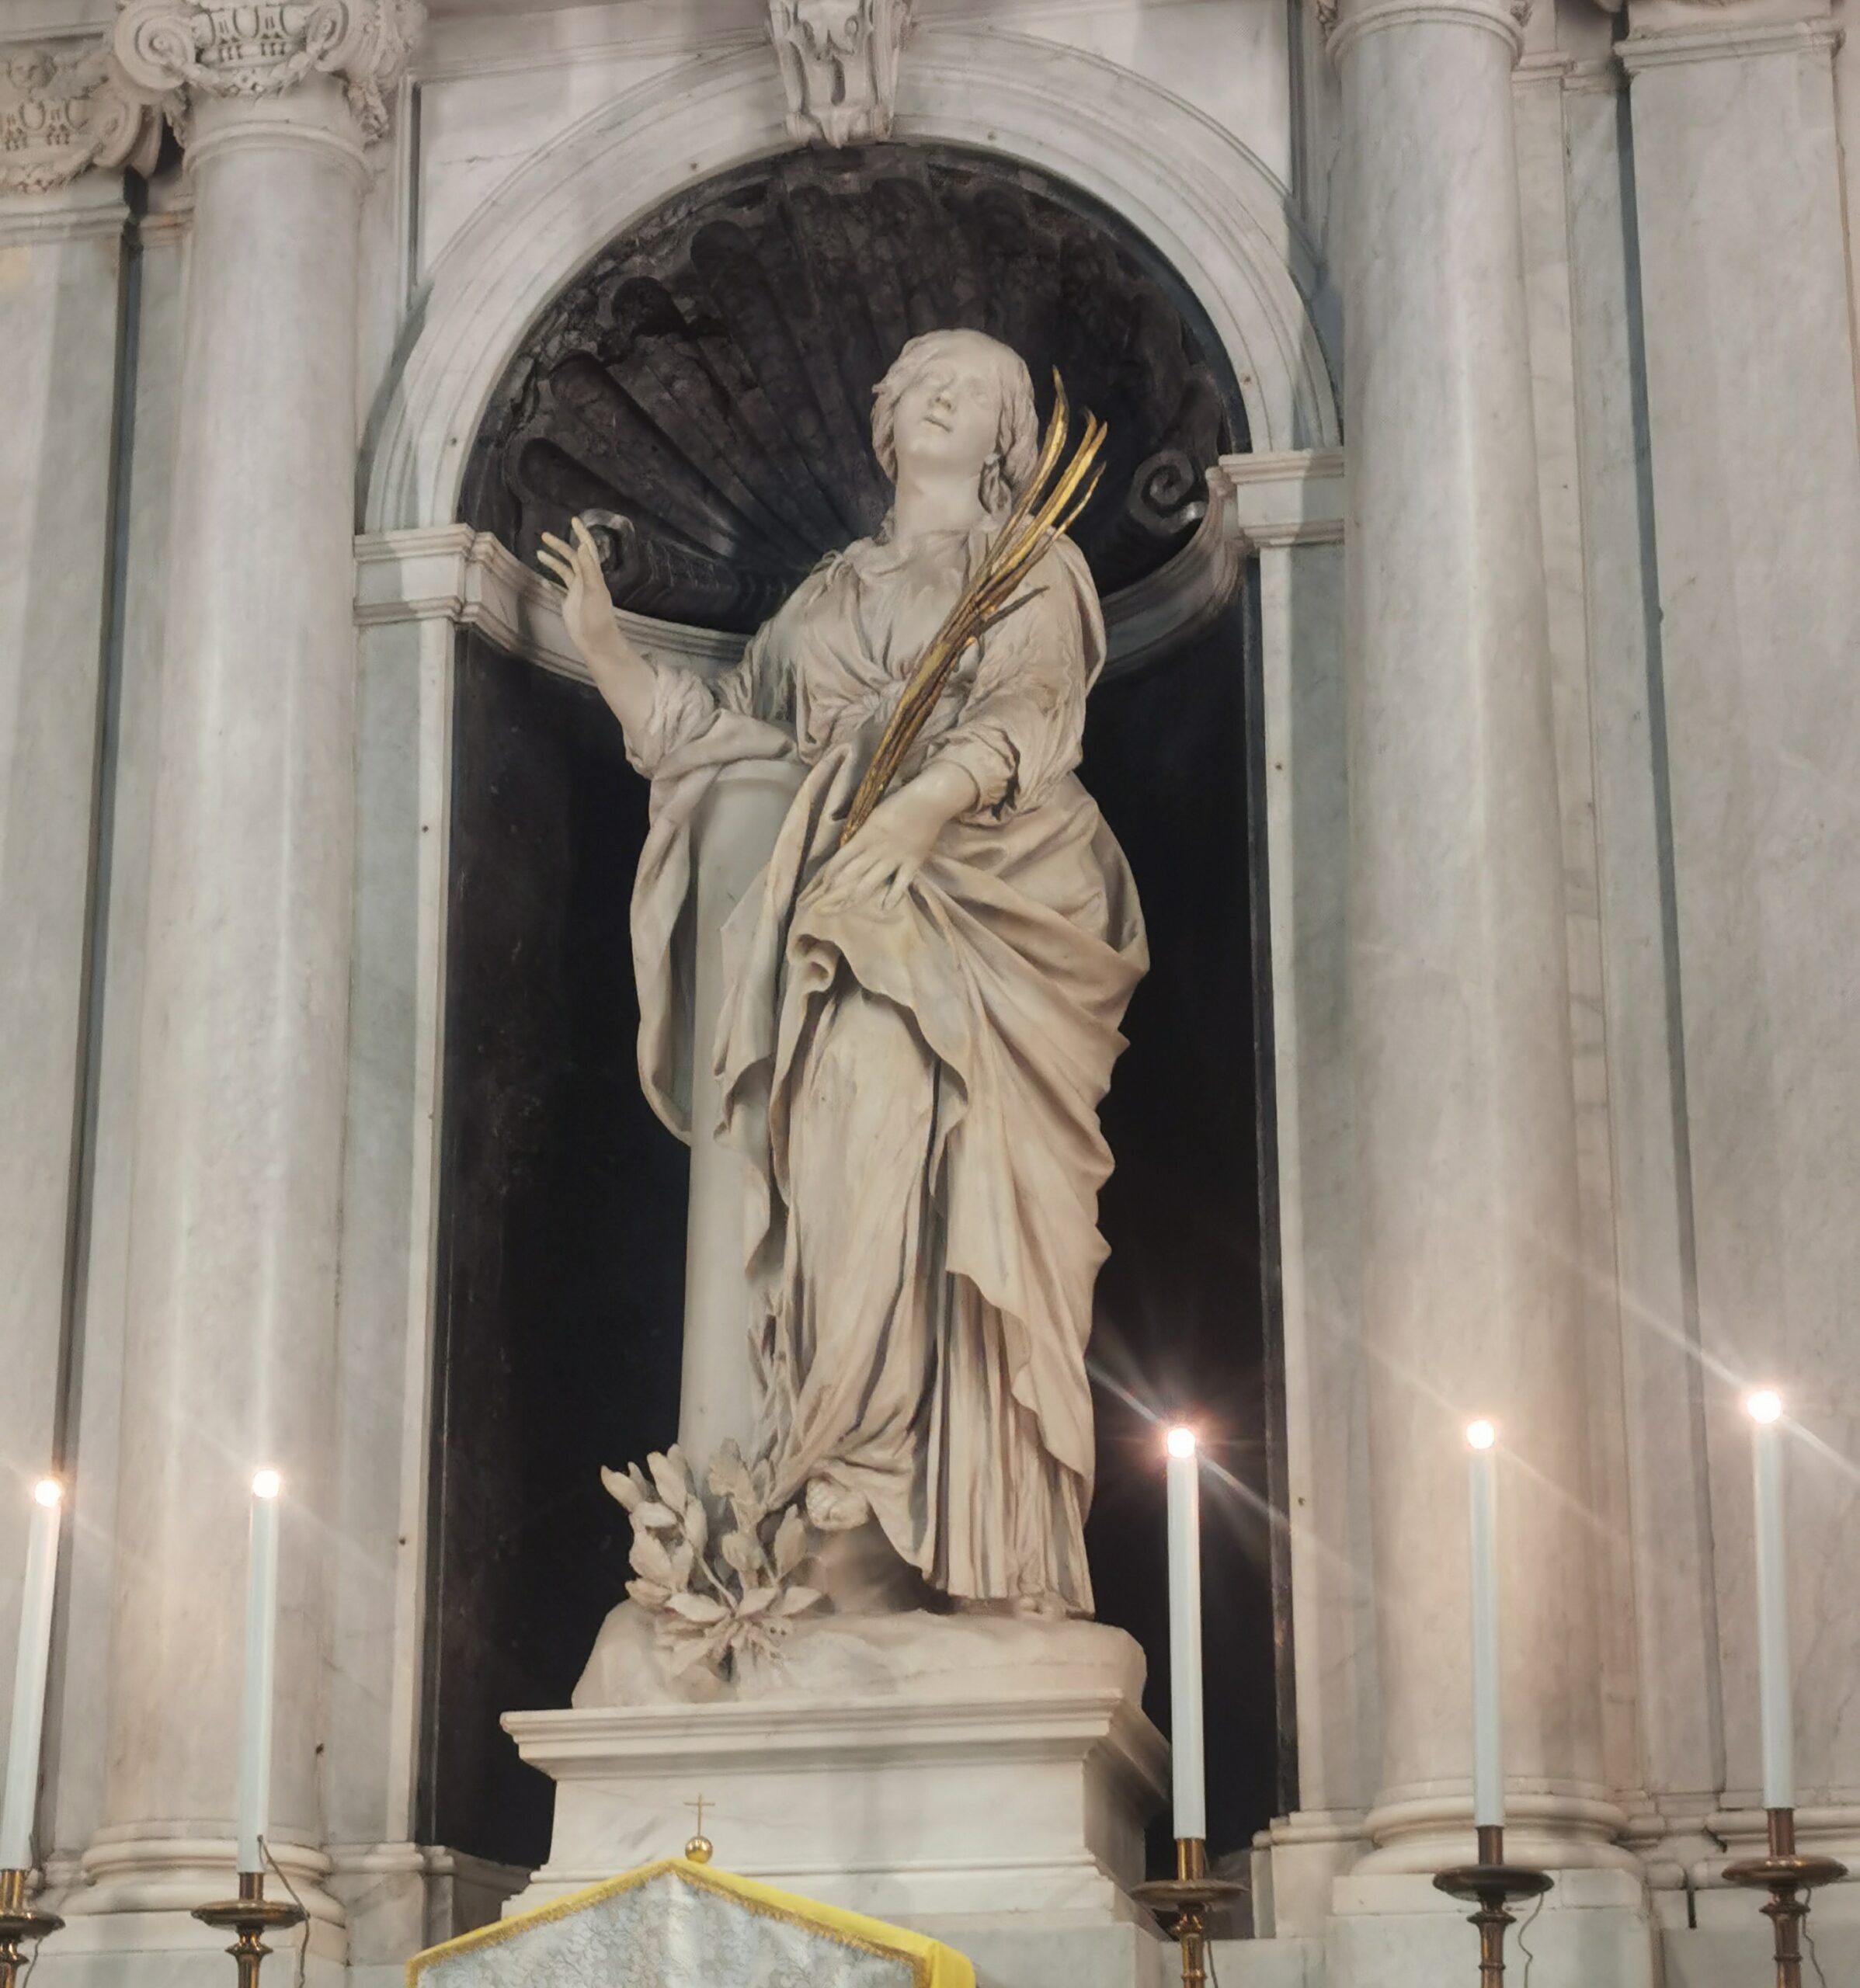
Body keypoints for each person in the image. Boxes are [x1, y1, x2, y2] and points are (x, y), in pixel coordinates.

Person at [537, 328, 1146, 1618]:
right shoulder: (822, 598)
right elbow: (729, 746)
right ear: (881, 418)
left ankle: (926, 1504)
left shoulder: (1033, 566)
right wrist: (604, 645)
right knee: (823, 1177)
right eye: (919, 379)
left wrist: (909, 821)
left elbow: (1030, 718)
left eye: (971, 386)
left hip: (976, 913)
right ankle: (825, 1470)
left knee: (915, 1158)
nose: (936, 394)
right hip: (826, 923)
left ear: (1007, 440)